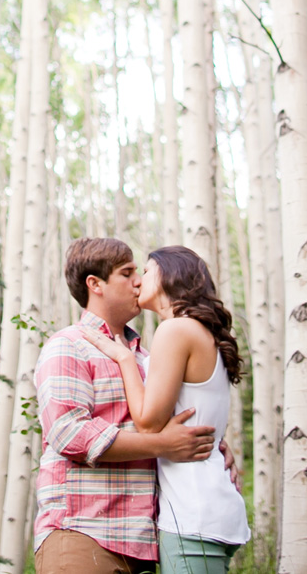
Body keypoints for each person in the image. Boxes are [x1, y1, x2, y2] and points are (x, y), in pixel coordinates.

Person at [32, 238, 225, 574]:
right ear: (96, 285)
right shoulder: (69, 346)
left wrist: (215, 446)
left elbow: (181, 416)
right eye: (127, 273)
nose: (139, 280)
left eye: (140, 271)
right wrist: (162, 445)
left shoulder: (147, 358)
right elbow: (68, 433)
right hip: (81, 533)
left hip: (142, 544)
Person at [79, 245, 250, 574]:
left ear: (170, 274)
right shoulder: (198, 332)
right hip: (209, 506)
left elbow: (147, 422)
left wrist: (125, 359)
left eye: (146, 270)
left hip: (193, 514)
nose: (139, 280)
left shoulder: (175, 329)